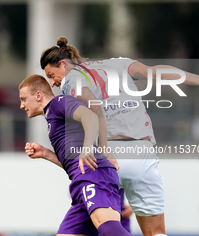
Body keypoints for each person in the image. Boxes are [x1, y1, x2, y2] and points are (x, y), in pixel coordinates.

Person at [39, 36, 199, 236]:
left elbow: (94, 107)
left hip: (108, 157)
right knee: (156, 232)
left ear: (63, 63)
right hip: (143, 153)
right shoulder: (118, 63)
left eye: (51, 75)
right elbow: (156, 73)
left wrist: (103, 148)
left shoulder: (71, 80)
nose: (53, 83)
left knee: (93, 228)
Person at [19, 74, 132, 236]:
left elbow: (90, 116)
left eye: (23, 99)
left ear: (38, 95)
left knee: (108, 228)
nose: (22, 105)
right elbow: (72, 162)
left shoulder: (58, 103)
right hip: (81, 180)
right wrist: (46, 153)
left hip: (93, 174)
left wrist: (87, 149)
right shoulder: (52, 118)